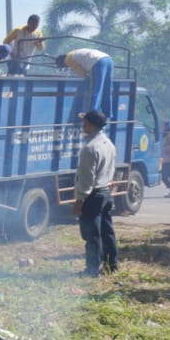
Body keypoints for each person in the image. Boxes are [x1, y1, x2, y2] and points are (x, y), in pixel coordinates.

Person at [73, 110, 118, 276]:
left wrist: (79, 201)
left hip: (93, 196)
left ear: (91, 125)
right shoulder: (108, 144)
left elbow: (86, 179)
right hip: (105, 193)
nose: (83, 125)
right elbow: (111, 169)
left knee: (92, 236)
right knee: (107, 232)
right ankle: (111, 265)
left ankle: (91, 270)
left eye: (85, 122)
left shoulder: (90, 148)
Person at [56, 48, 114, 118]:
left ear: (62, 62)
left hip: (97, 62)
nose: (67, 67)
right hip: (108, 59)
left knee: (94, 90)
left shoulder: (68, 59)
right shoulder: (73, 53)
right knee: (106, 90)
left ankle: (90, 114)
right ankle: (107, 113)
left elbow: (82, 74)